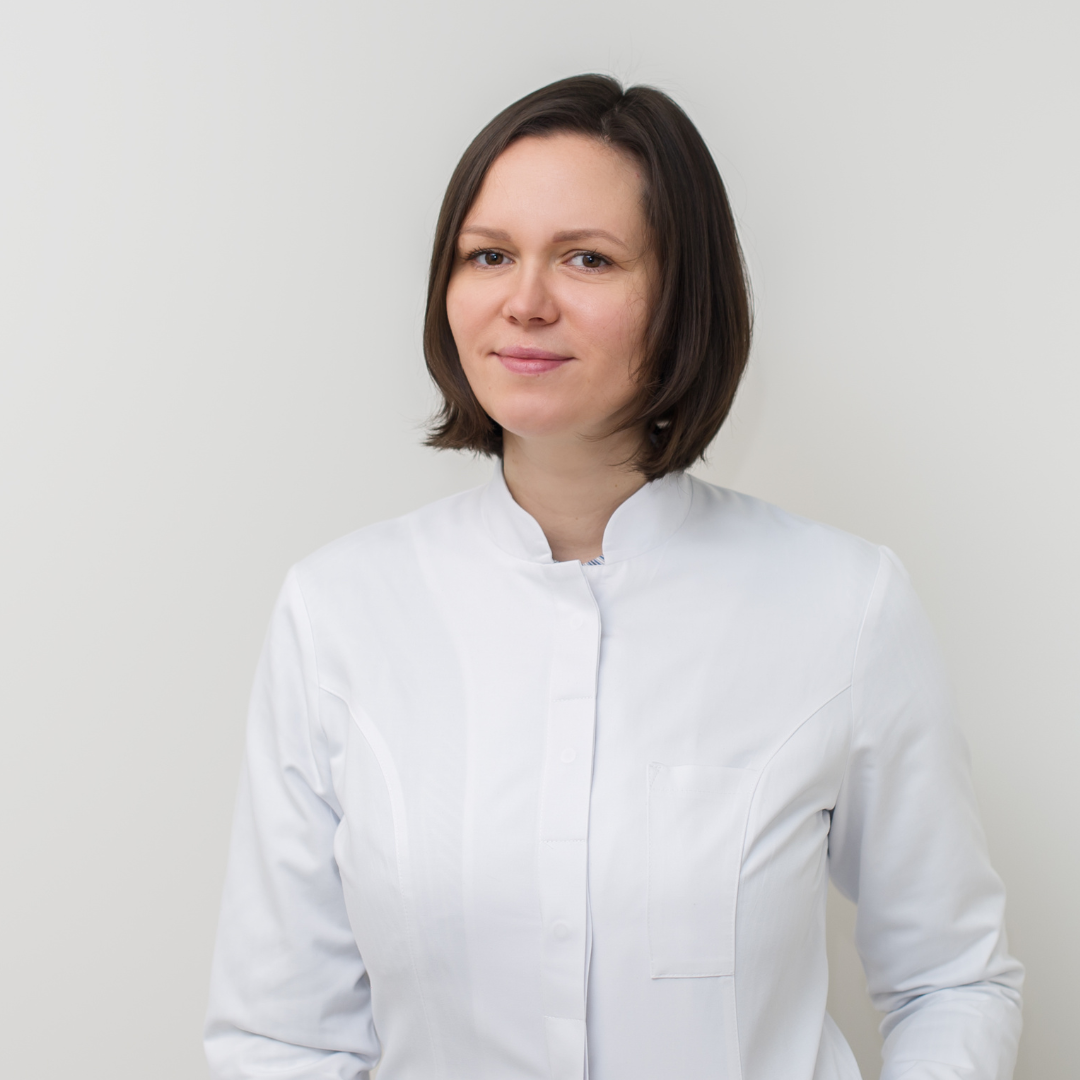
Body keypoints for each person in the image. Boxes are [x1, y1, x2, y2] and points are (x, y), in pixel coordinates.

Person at [204, 74, 1023, 1080]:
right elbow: (282, 1036)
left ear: (681, 296)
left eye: (587, 258)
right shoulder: (339, 612)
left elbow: (952, 979)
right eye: (488, 255)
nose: (526, 301)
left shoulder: (842, 605)